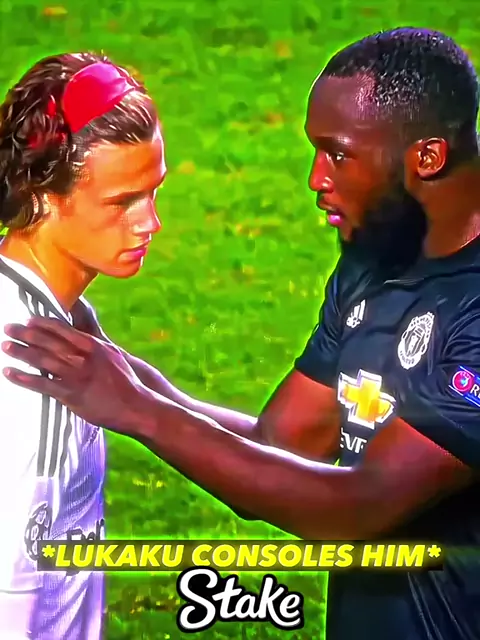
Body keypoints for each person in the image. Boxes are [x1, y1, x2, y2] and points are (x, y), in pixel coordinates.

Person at [3, 27, 480, 640]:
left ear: (427, 157)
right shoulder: (376, 257)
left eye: (337, 154)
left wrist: (140, 411)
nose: (315, 178)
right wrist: (124, 375)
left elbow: (357, 507)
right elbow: (283, 443)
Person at [0, 53, 163, 639]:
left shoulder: (54, 328)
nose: (150, 223)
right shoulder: (31, 372)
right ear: (43, 195)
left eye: (154, 192)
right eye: (122, 202)